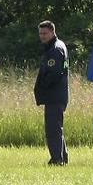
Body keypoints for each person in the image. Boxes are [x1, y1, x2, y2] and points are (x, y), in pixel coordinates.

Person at [34, 20, 69, 166]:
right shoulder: (59, 45)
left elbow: (53, 74)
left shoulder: (55, 49)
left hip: (55, 95)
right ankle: (62, 157)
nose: (42, 36)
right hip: (59, 94)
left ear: (52, 32)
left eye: (45, 33)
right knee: (57, 128)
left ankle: (57, 160)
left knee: (53, 130)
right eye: (40, 33)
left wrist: (43, 87)